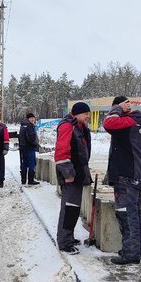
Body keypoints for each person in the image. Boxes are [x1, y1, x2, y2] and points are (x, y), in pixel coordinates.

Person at [103, 96, 141, 265]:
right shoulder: (140, 121)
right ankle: (138, 250)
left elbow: (108, 123)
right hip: (137, 173)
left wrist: (116, 108)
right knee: (135, 213)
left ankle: (131, 253)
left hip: (127, 175)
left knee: (126, 214)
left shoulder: (127, 122)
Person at [55, 102, 92, 255]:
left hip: (78, 174)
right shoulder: (67, 126)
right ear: (77, 114)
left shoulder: (79, 127)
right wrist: (68, 174)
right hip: (71, 175)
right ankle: (64, 242)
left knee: (73, 209)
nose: (88, 116)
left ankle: (68, 236)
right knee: (69, 209)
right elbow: (61, 152)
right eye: (86, 114)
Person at [18, 112, 39, 185]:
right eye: (31, 118)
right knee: (32, 164)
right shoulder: (29, 126)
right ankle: (31, 180)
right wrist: (35, 144)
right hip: (29, 147)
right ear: (28, 119)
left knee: (24, 164)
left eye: (34, 118)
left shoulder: (23, 125)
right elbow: (31, 138)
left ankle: (23, 180)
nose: (33, 119)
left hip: (23, 147)